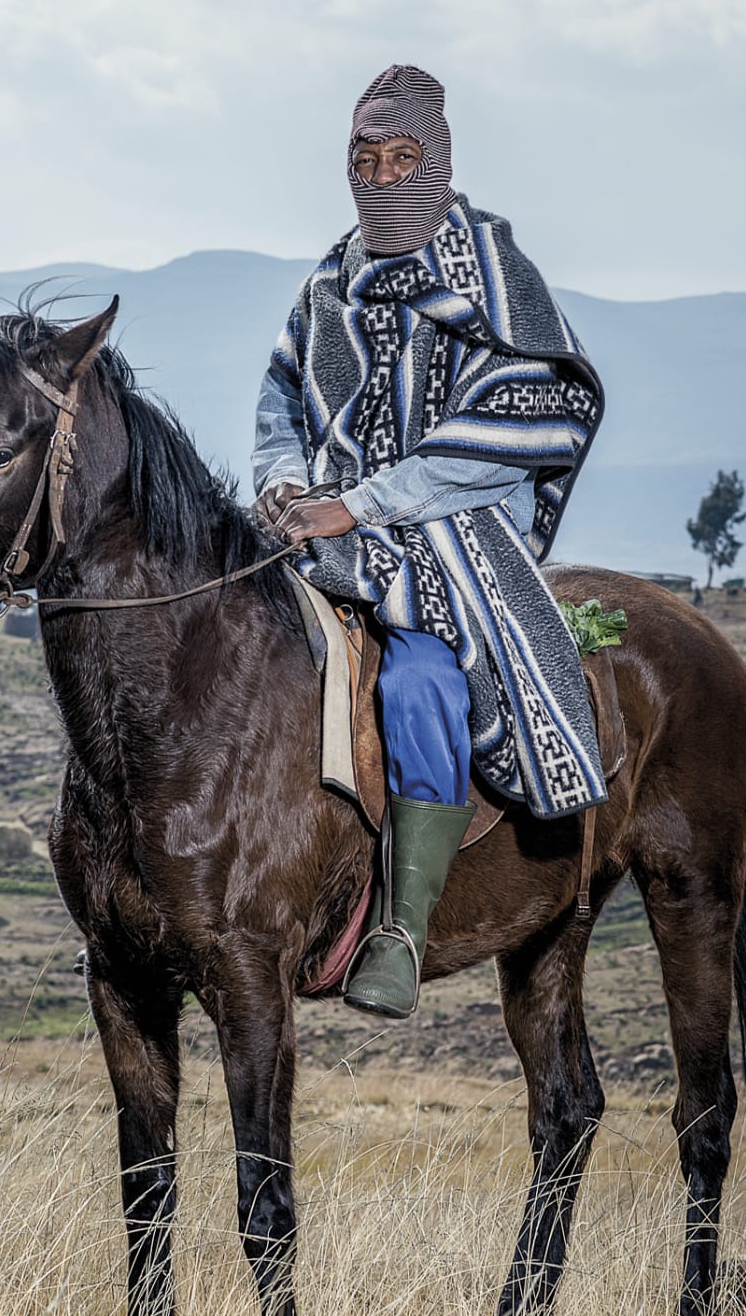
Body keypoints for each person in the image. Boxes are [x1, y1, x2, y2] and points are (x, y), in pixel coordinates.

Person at [251, 63, 606, 1019]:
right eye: (365, 158)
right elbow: (282, 396)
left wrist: (364, 504)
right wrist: (285, 482)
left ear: (437, 163)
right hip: (317, 522)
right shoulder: (329, 280)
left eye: (402, 158)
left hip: (450, 532)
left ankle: (399, 934)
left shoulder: (494, 273)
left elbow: (530, 416)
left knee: (420, 679)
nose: (382, 176)